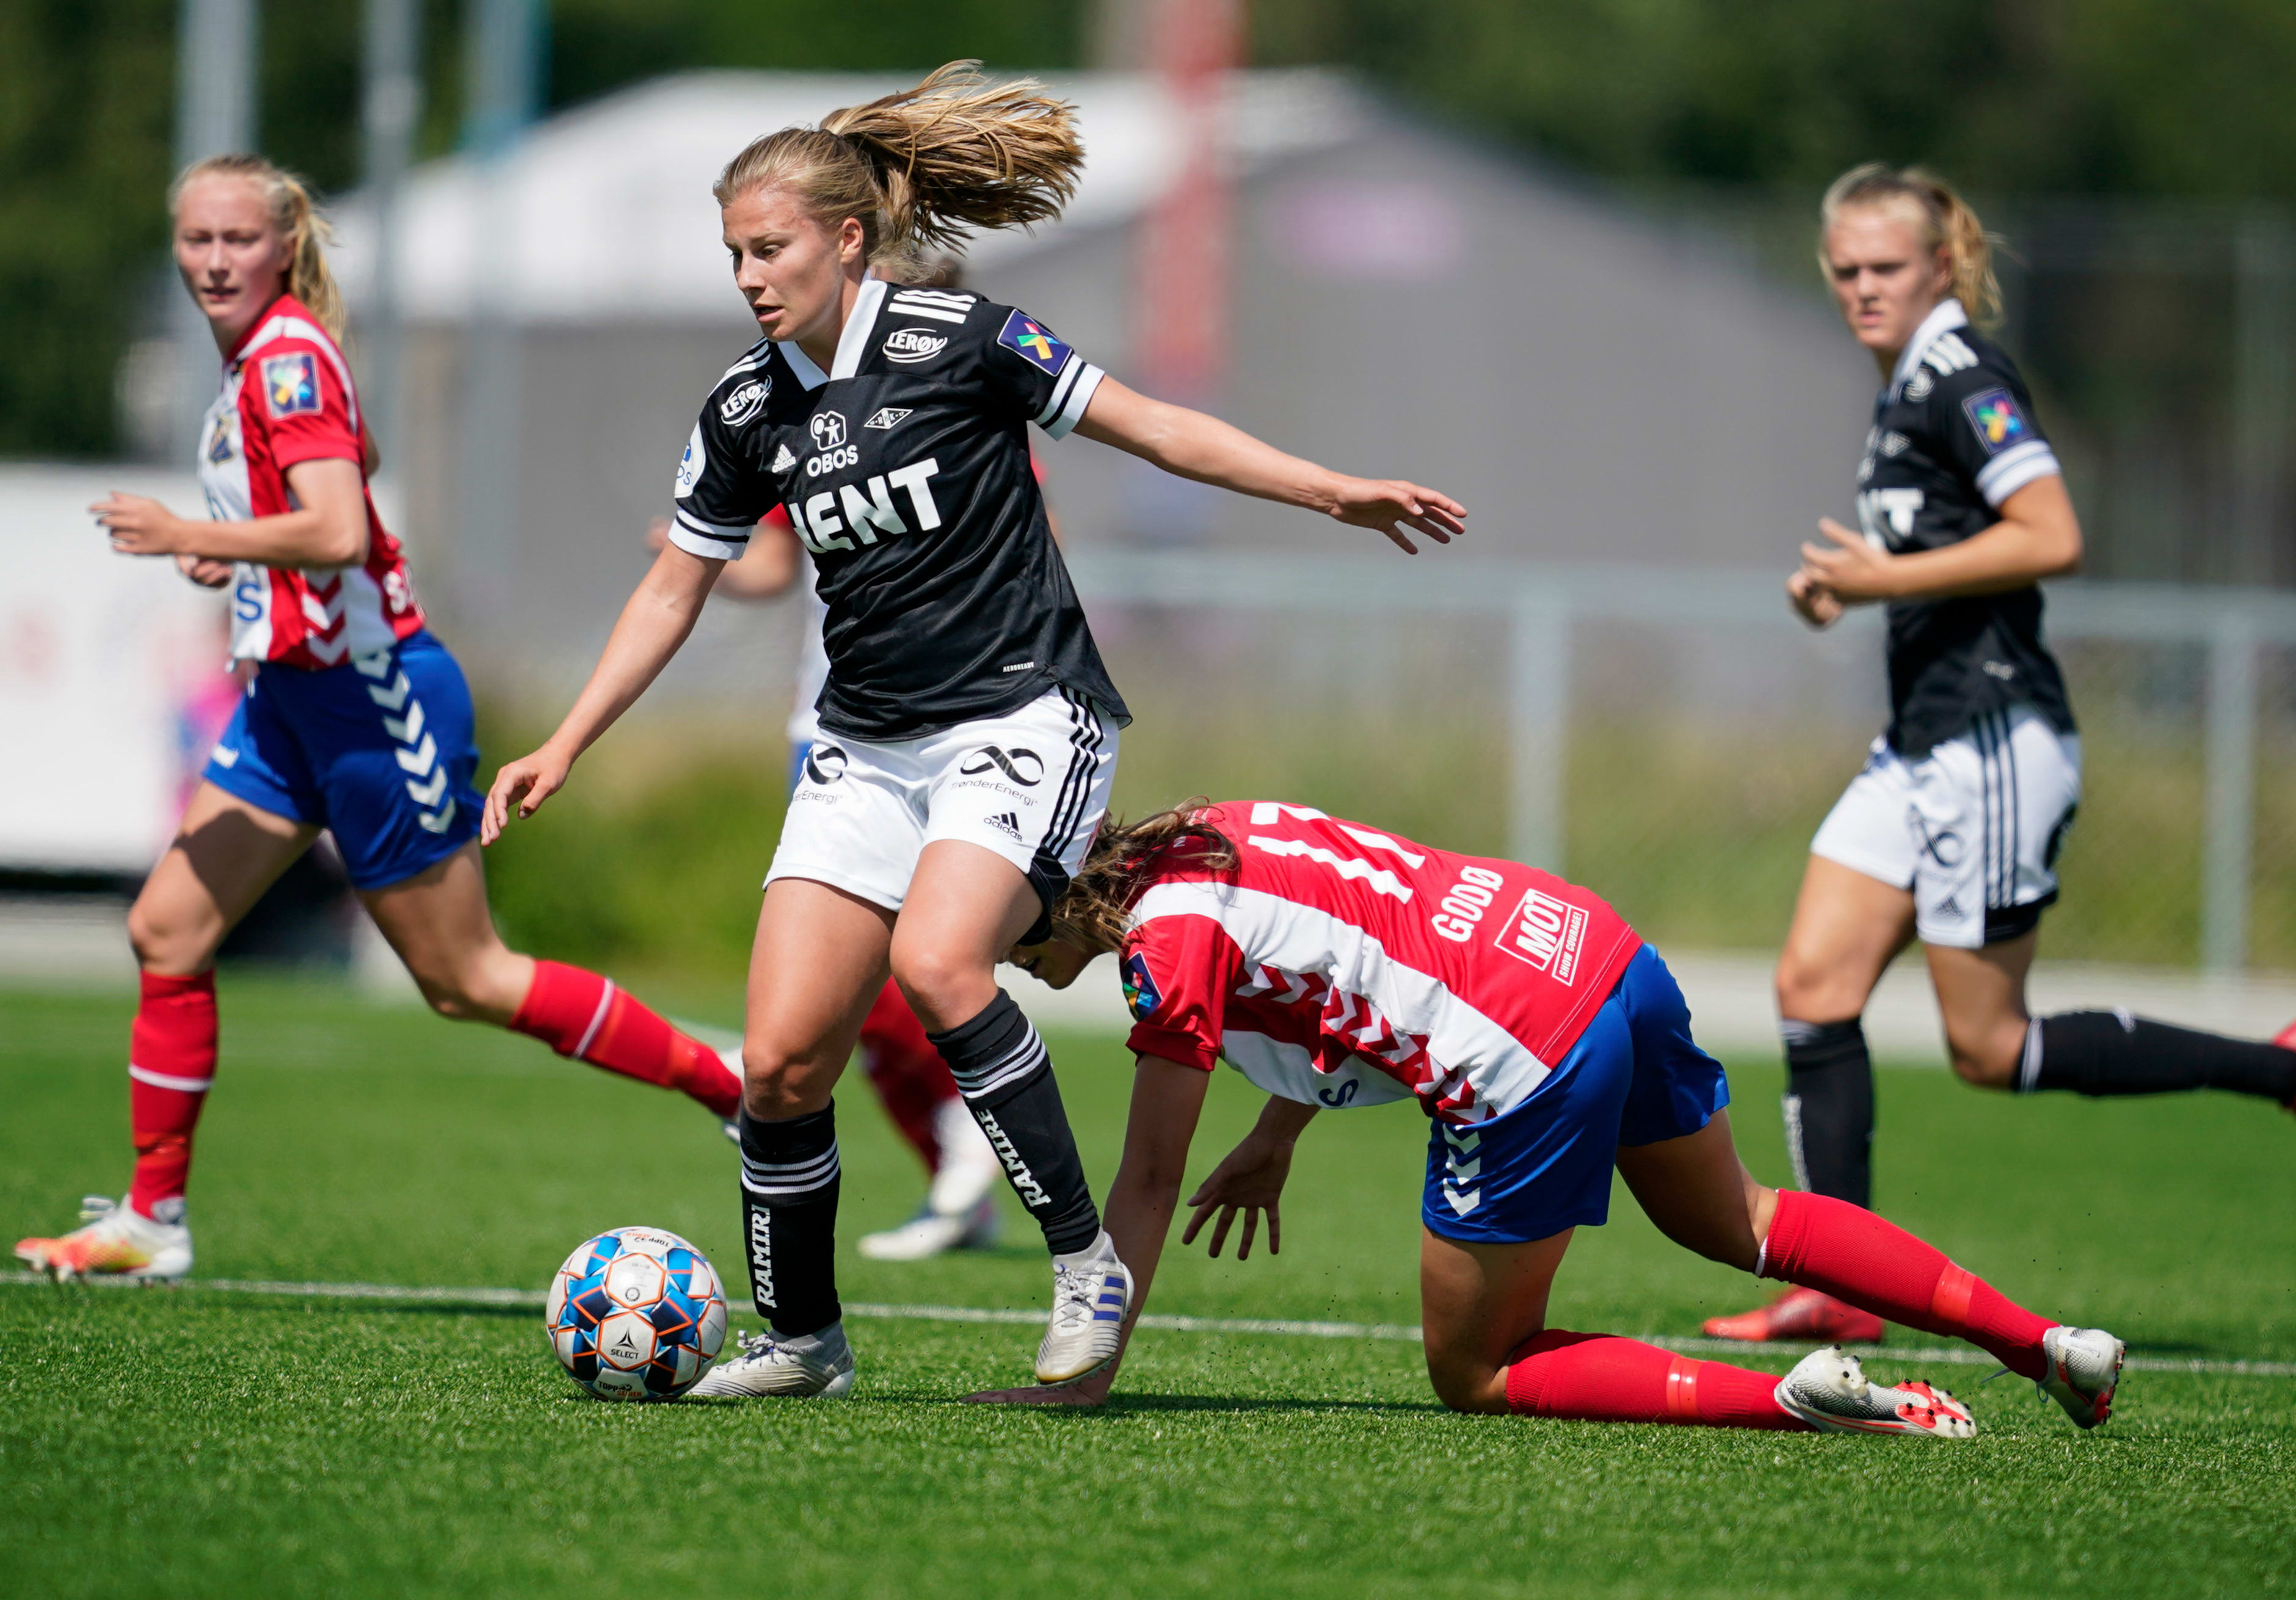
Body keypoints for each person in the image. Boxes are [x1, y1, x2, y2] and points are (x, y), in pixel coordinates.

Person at [479, 63, 1465, 1397]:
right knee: (782, 1060)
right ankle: (804, 1340)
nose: (751, 277)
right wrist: (568, 739)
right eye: (734, 256)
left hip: (1023, 711)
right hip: (865, 748)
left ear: (846, 239)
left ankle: (1084, 1265)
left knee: (941, 963)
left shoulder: (966, 337)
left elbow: (1154, 427)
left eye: (771, 248)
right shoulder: (745, 409)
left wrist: (1331, 491)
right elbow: (675, 585)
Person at [12, 156, 745, 1287]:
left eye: (238, 240)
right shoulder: (265, 358)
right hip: (290, 702)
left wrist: (188, 533)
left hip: (373, 700)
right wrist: (240, 559)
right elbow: (328, 508)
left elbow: (341, 529)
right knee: (167, 930)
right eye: (198, 239)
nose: (215, 260)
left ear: (283, 247)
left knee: (467, 980)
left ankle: (729, 1085)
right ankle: (154, 1220)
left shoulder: (289, 358)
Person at [1706, 164, 2296, 1346]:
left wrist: (1880, 580)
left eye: (1887, 267)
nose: (1863, 287)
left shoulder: (1961, 378)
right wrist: (1845, 589)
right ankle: (1843, 1285)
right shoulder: (1902, 384)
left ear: (1941, 265)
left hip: (1991, 738)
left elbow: (2051, 533)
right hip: (1920, 740)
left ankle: (2288, 1067)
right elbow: (1937, 551)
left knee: (1989, 1046)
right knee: (1812, 988)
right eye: (1845, 269)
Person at [979, 798, 2125, 1436]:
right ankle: (2048, 1345)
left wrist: (1087, 1372)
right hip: (1589, 945)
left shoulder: (1165, 949)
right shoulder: (1205, 828)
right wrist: (1275, 1134)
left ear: (1048, 895)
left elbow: (1147, 1179)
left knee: (1476, 1370)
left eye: (997, 927)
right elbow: (1346, 950)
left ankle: (1796, 1405)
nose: (995, 954)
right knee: (1740, 1220)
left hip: (1520, 1041)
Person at [646, 498, 1005, 1261]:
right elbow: (775, 567)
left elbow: (1029, 538)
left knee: (908, 959)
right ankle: (958, 1160)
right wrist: (699, 554)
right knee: (842, 979)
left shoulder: (961, 423)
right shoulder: (789, 436)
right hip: (828, 727)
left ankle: (967, 1115)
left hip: (949, 722)